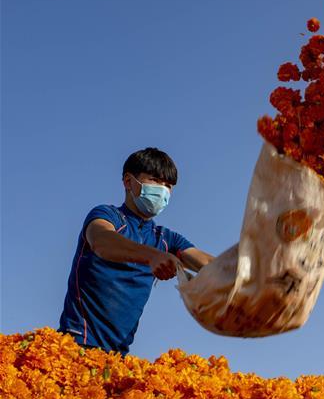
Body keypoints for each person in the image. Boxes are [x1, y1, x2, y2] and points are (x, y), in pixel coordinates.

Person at [58, 147, 215, 355]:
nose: (163, 190)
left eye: (168, 185)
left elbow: (206, 262)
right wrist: (151, 256)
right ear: (128, 182)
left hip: (118, 355)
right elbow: (102, 240)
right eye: (155, 181)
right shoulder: (107, 215)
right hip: (78, 343)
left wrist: (257, 273)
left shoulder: (165, 239)